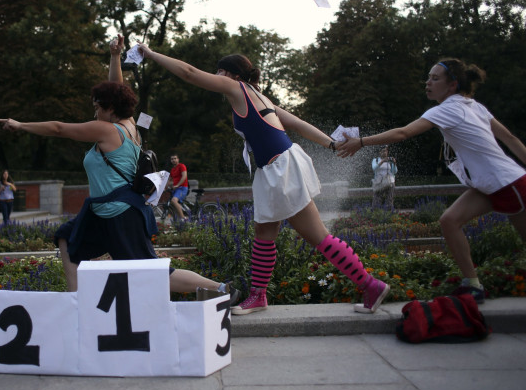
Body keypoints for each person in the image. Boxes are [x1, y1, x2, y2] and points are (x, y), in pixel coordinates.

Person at [137, 44, 390, 315]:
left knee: (317, 236)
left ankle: (369, 284)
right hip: (277, 169)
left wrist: (150, 54)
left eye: (220, 72)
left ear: (231, 75)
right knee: (264, 235)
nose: (216, 77)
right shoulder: (261, 97)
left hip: (279, 170)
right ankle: (258, 296)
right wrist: (331, 144)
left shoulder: (237, 89)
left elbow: (188, 72)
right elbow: (299, 124)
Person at [0, 38, 237, 301]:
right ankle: (76, 302)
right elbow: (119, 88)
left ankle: (222, 289)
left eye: (97, 106)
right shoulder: (130, 125)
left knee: (152, 272)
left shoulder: (107, 130)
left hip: (120, 215)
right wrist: (114, 56)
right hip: (103, 213)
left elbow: (58, 128)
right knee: (66, 237)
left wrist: (20, 125)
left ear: (110, 108)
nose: (94, 110)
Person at [337, 58, 526, 304]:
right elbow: (510, 139)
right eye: (428, 77)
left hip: (509, 184)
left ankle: (473, 284)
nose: (428, 82)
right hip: (488, 184)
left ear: (452, 85)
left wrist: (360, 142)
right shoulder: (473, 106)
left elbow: (404, 133)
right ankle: (473, 285)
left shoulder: (446, 109)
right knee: (449, 221)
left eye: (435, 78)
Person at [371, 146, 397, 210]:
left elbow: (394, 171)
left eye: (385, 151)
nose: (384, 152)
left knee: (390, 199)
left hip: (389, 181)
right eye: (383, 151)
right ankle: (376, 212)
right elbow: (374, 168)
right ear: (380, 152)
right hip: (379, 182)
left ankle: (389, 213)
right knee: (377, 199)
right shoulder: (376, 160)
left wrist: (395, 163)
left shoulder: (390, 161)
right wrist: (382, 161)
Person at [168, 154, 189, 221]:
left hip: (182, 188)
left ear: (178, 159)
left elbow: (184, 176)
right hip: (176, 189)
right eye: (172, 159)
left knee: (174, 200)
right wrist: (165, 187)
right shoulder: (172, 169)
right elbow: (169, 180)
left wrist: (177, 185)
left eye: (175, 158)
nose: (173, 160)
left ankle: (183, 218)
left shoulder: (181, 166)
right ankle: (179, 219)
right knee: (172, 203)